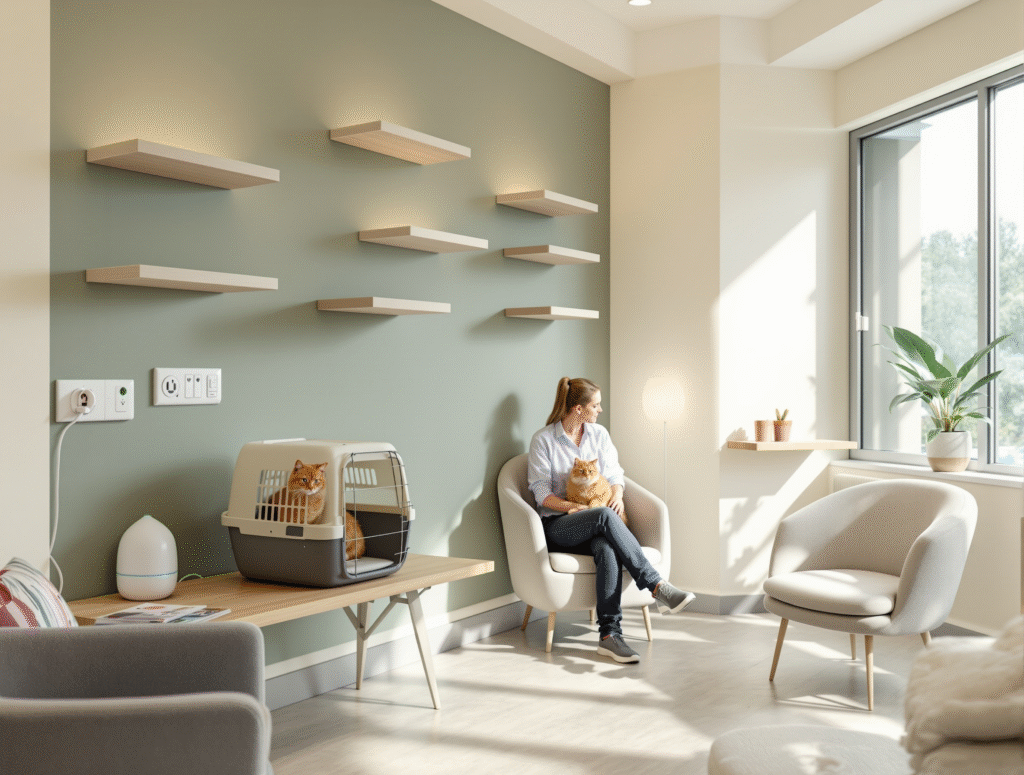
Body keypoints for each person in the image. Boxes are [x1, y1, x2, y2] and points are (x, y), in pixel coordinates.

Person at [527, 376, 695, 663]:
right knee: (603, 516)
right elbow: (541, 492)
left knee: (607, 548)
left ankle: (609, 636)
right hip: (558, 525)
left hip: (596, 523)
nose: (599, 410)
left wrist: (617, 495)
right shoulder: (543, 440)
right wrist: (570, 507)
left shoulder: (599, 435)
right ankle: (656, 586)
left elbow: (615, 474)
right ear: (578, 409)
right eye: (596, 405)